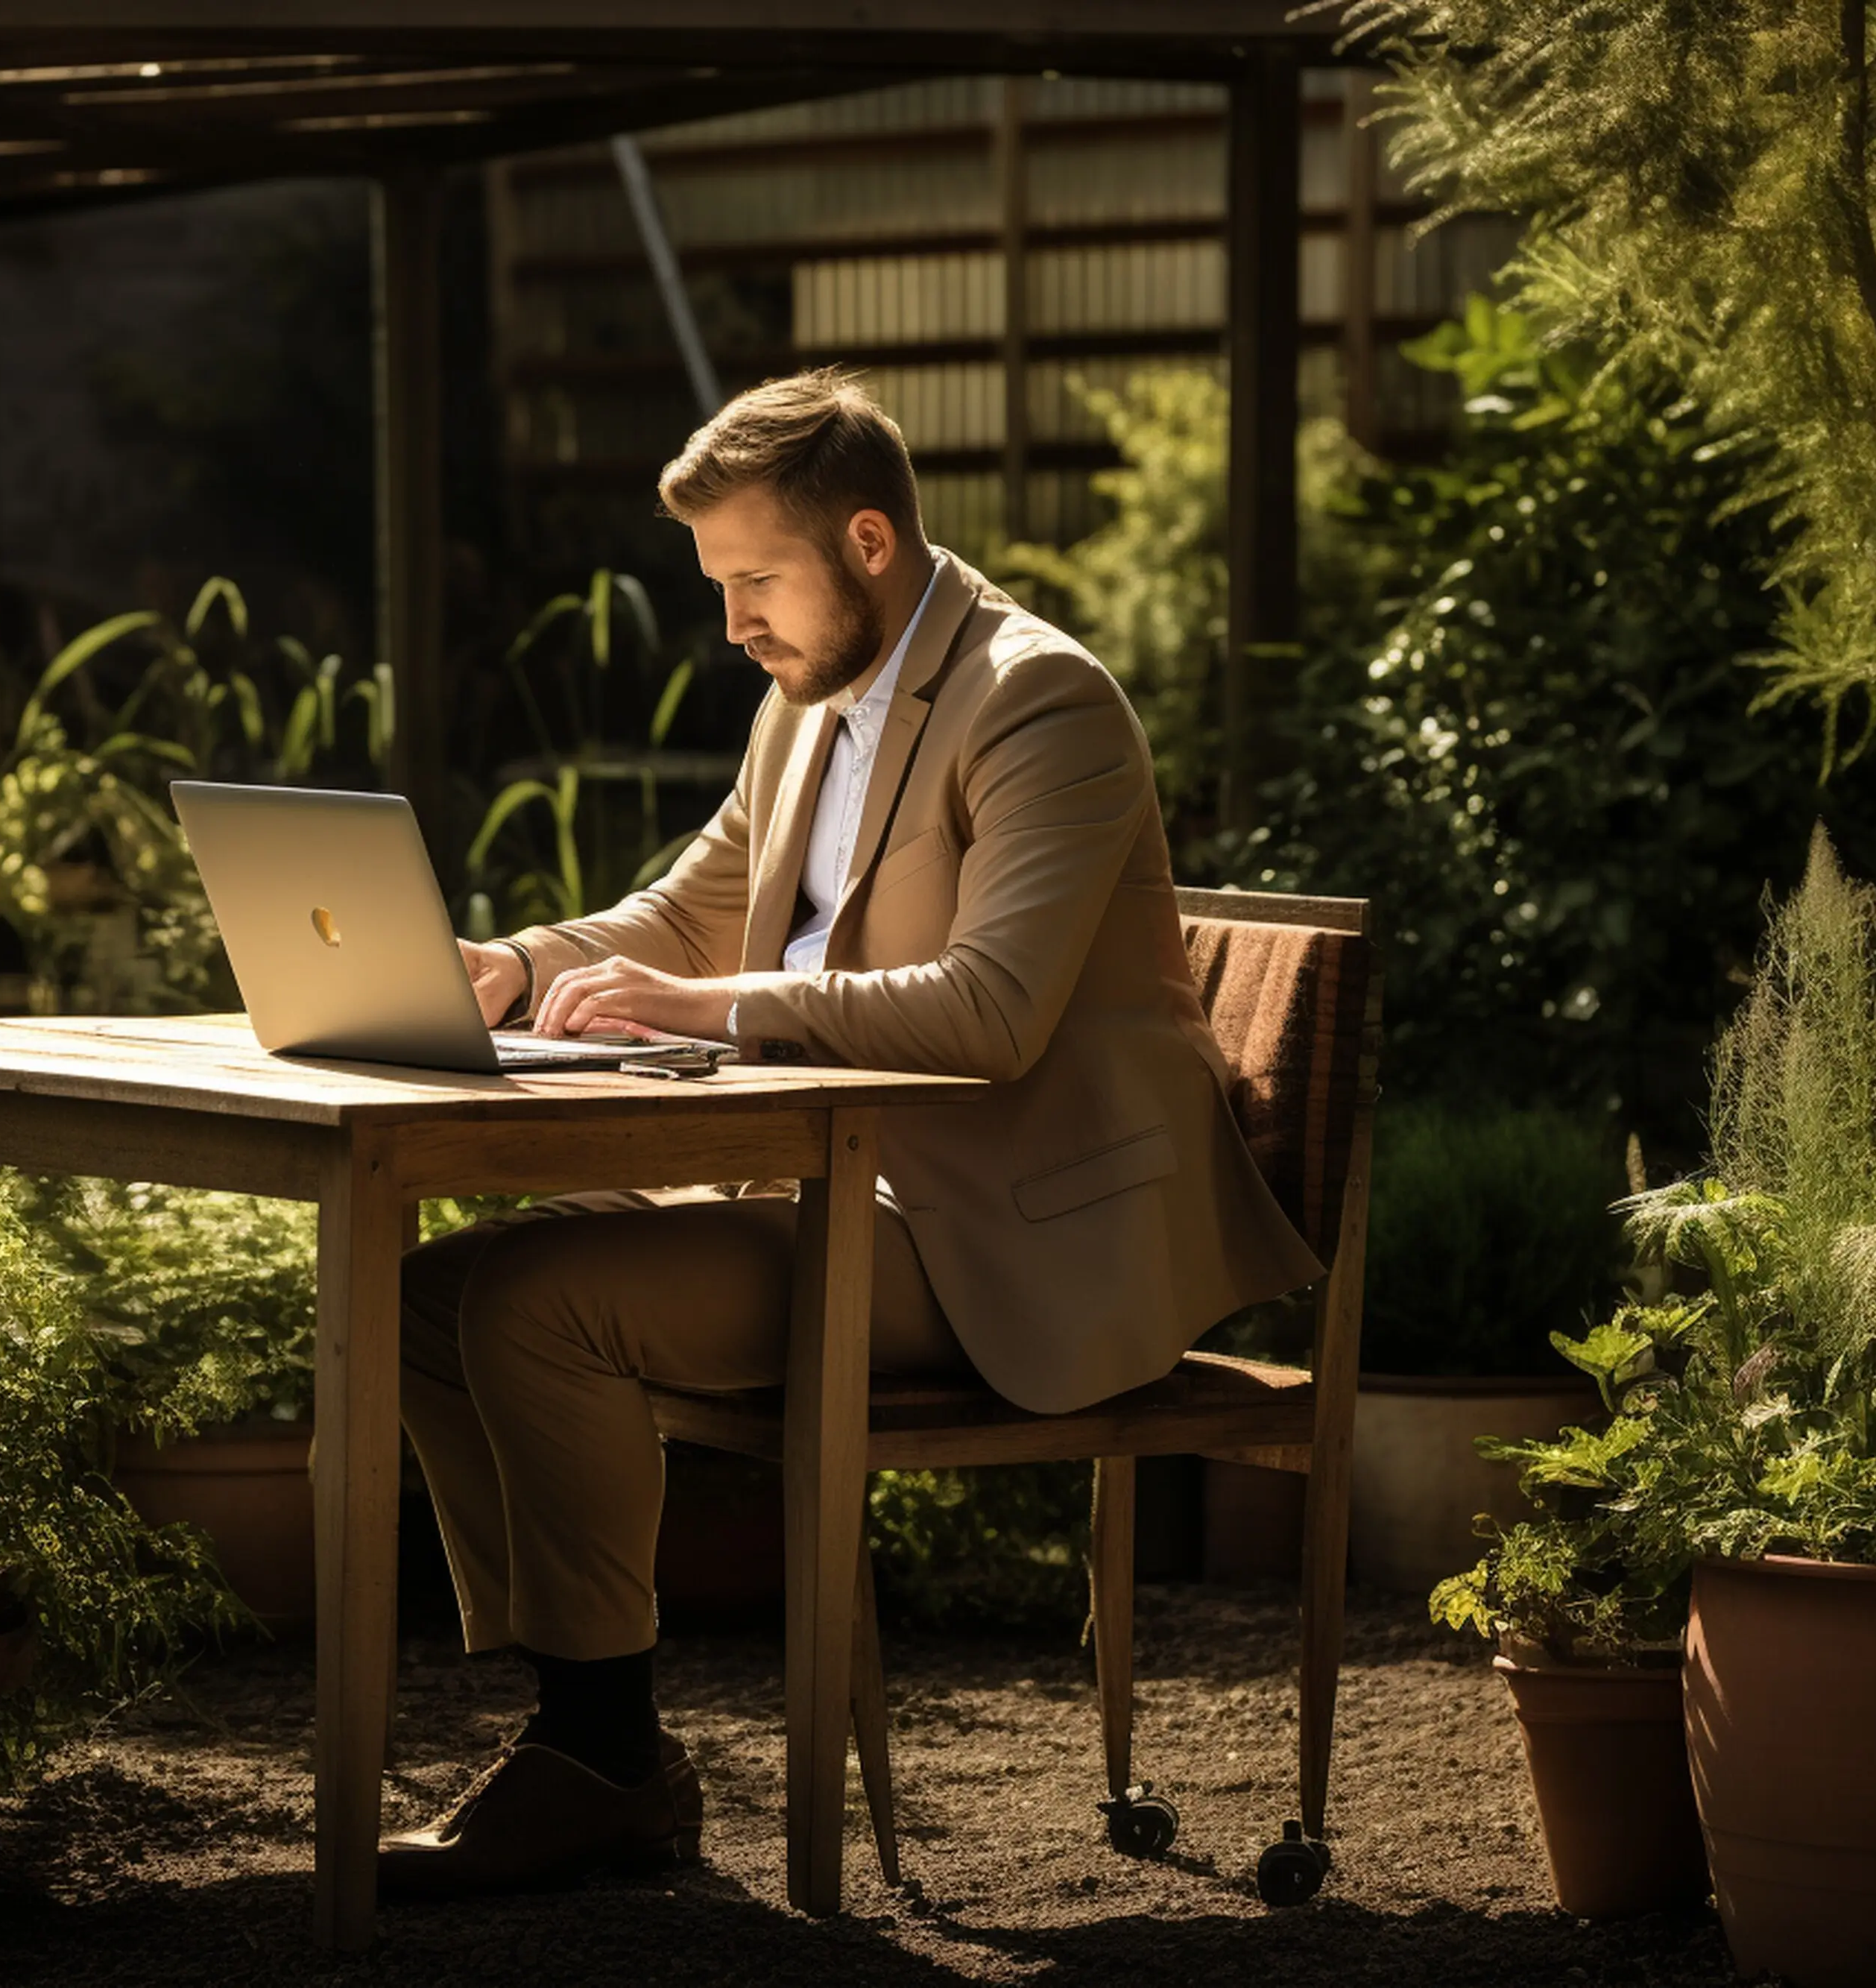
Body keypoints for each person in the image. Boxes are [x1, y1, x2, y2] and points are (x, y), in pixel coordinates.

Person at [379, 368, 1321, 1896]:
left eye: (755, 580)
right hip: (849, 1192)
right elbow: (686, 910)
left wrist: (704, 1010)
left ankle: (602, 1765)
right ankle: (586, 1731)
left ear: (868, 540)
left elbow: (992, 1008)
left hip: (1010, 1234)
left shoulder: (1042, 701)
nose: (733, 621)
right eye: (721, 585)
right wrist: (523, 965)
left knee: (541, 1304)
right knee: (429, 1294)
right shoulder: (802, 705)